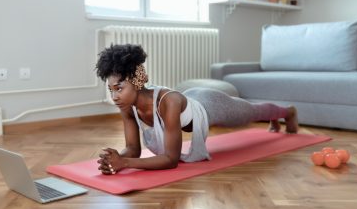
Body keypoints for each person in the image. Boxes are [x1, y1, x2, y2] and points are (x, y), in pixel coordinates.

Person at [96, 44, 298, 174]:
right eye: (111, 90)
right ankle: (281, 114)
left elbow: (171, 159)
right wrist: (116, 159)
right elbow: (134, 149)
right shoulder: (127, 107)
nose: (114, 97)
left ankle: (287, 112)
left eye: (119, 88)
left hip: (209, 104)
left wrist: (125, 163)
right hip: (191, 98)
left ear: (137, 82)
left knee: (252, 112)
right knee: (252, 111)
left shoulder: (169, 102)